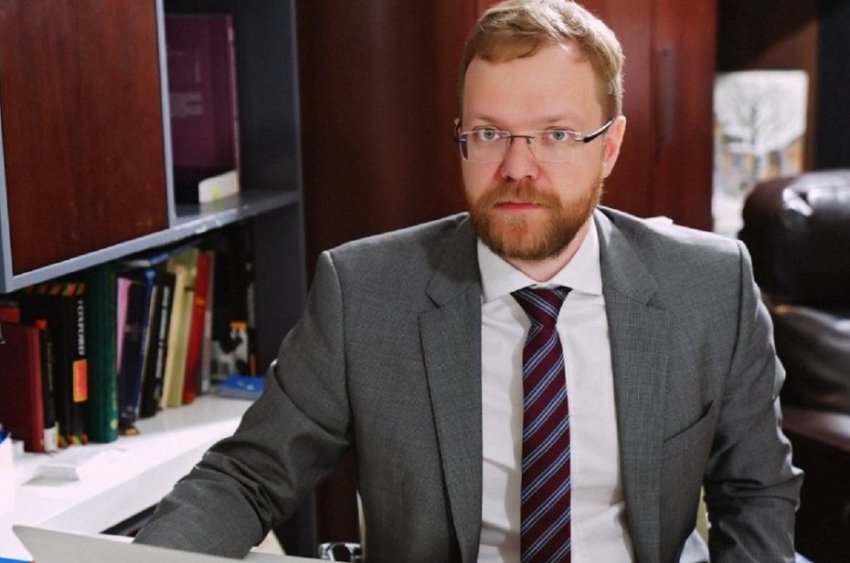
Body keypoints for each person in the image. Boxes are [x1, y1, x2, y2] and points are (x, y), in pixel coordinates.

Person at [135, 1, 802, 561]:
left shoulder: (710, 286)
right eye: (489, 133)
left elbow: (755, 492)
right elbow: (249, 476)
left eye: (555, 135)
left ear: (610, 146)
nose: (517, 168)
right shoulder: (363, 292)